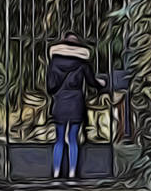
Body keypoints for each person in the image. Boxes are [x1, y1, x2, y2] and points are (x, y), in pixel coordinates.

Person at [46, 32, 107, 179]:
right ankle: (72, 172)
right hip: (76, 103)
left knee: (59, 139)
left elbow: (50, 87)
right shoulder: (82, 63)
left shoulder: (54, 62)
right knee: (73, 138)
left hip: (60, 103)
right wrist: (102, 83)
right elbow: (92, 82)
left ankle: (56, 172)